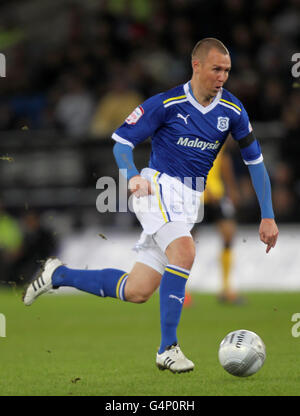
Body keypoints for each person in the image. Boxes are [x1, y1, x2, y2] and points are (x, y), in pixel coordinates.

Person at [22, 38, 279, 374]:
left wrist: (268, 215)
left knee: (138, 290)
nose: (222, 77)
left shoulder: (233, 110)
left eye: (227, 71)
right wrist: (130, 176)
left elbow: (255, 162)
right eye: (216, 68)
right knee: (184, 252)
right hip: (157, 189)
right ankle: (167, 349)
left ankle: (58, 274)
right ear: (196, 66)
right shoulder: (167, 103)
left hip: (189, 202)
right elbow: (121, 143)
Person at [184, 144, 244, 307]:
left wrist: (231, 188)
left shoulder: (222, 137)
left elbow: (224, 161)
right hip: (197, 194)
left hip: (217, 194)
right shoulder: (197, 133)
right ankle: (182, 292)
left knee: (229, 234)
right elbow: (190, 161)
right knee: (185, 243)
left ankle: (226, 289)